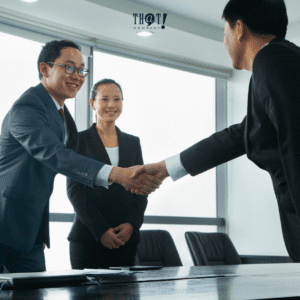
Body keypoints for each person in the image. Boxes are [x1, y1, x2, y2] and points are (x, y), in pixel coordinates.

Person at [132, 0, 300, 262]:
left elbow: (295, 144)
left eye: (224, 32)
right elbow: (239, 136)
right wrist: (165, 168)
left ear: (239, 28)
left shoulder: (271, 61)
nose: (224, 42)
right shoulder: (280, 61)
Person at [0, 40, 161, 273]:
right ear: (45, 69)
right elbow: (56, 155)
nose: (77, 76)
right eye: (69, 67)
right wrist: (116, 174)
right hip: (6, 225)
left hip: (29, 231)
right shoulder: (27, 108)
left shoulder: (63, 117)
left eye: (81, 70)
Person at [67, 79, 147, 269]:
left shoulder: (132, 142)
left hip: (125, 238)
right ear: (92, 103)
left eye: (117, 99)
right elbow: (75, 191)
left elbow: (142, 187)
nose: (111, 105)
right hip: (88, 238)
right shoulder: (78, 140)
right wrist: (101, 230)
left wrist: (131, 225)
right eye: (104, 99)